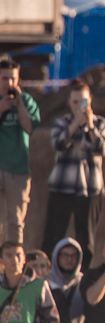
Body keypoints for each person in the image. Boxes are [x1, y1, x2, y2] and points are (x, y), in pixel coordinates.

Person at [41, 79, 105, 270]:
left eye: (84, 102)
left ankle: (83, 280)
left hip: (90, 189)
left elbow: (103, 148)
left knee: (86, 239)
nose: (80, 106)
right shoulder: (61, 123)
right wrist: (74, 126)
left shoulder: (100, 123)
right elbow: (58, 144)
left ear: (90, 102)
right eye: (76, 102)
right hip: (62, 187)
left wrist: (89, 127)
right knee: (53, 236)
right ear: (69, 103)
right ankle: (48, 277)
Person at [0, 58, 40, 243]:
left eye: (13, 78)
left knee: (15, 222)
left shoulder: (26, 100)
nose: (9, 83)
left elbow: (31, 127)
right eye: (4, 78)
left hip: (18, 171)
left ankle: (14, 261)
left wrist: (20, 105)